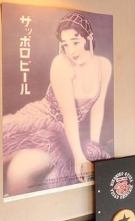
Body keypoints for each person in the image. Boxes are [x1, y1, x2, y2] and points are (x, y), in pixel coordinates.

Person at [3, 12, 112, 196]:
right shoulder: (61, 64)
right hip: (41, 117)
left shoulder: (104, 65)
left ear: (88, 37)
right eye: (65, 44)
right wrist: (79, 157)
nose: (71, 51)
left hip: (63, 130)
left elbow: (97, 107)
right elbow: (69, 115)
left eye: (75, 42)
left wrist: (94, 146)